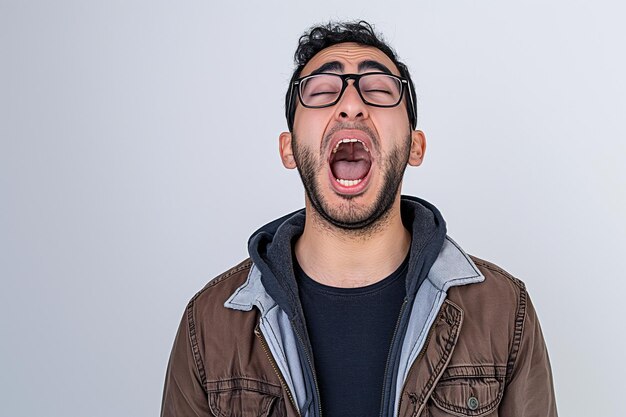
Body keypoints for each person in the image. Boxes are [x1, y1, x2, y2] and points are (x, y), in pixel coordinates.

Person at [160, 21, 557, 417]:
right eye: (322, 91)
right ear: (290, 150)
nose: (351, 104)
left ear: (414, 146)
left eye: (379, 89)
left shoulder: (505, 312)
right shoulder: (209, 327)